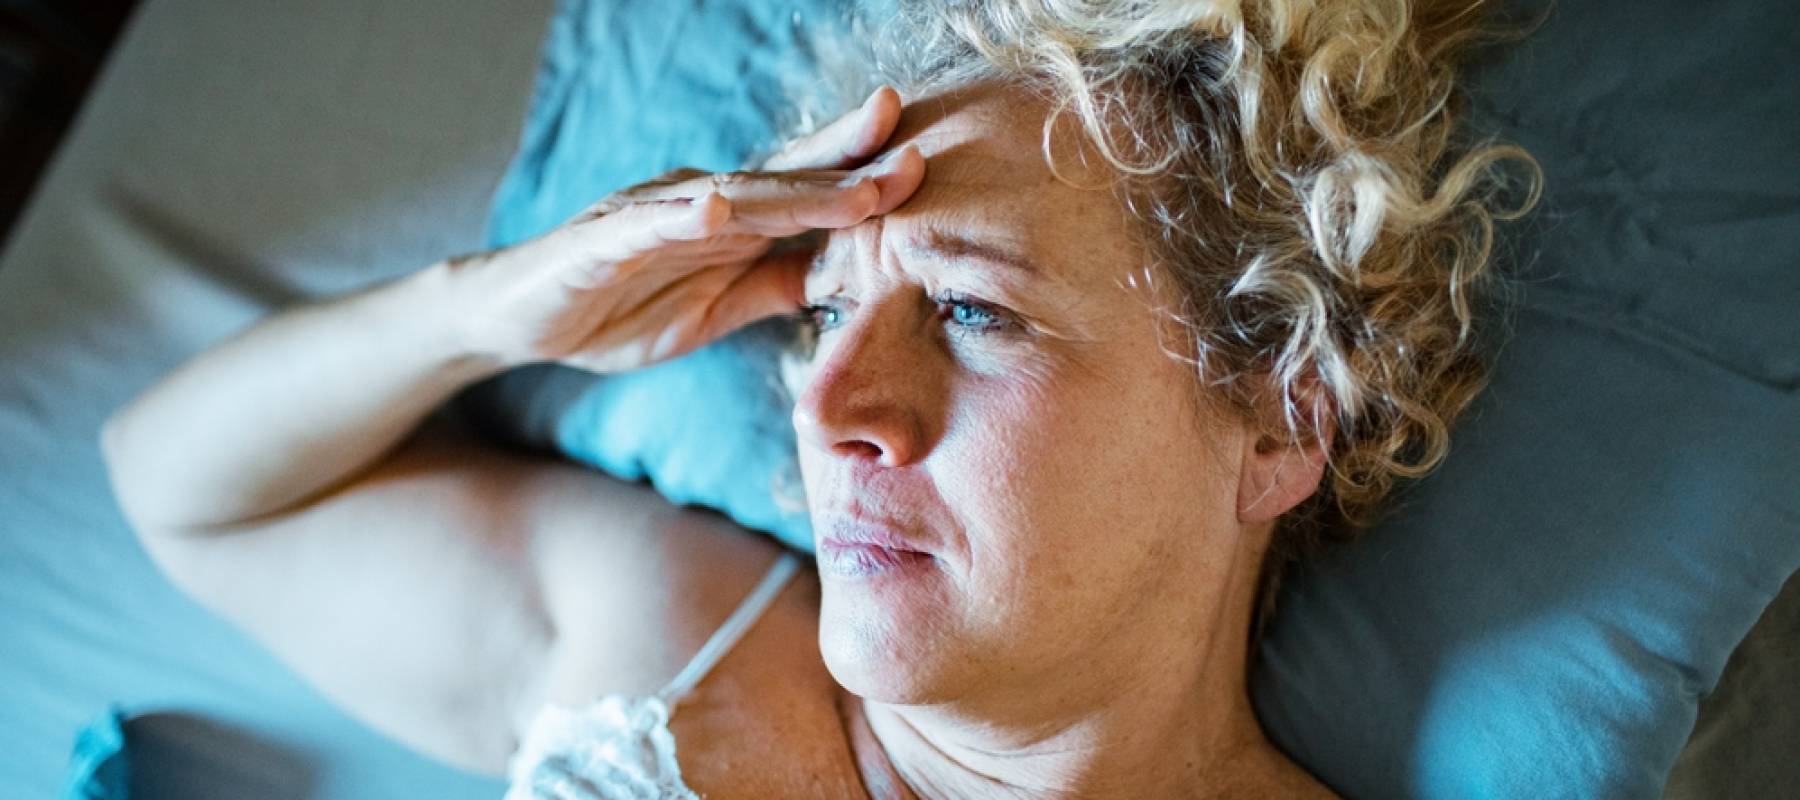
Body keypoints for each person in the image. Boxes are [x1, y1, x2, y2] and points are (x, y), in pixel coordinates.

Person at [101, 1, 1536, 796]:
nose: (835, 399)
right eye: (830, 307)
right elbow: (182, 494)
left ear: (1282, 422)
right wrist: (493, 305)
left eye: (973, 313)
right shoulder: (674, 656)